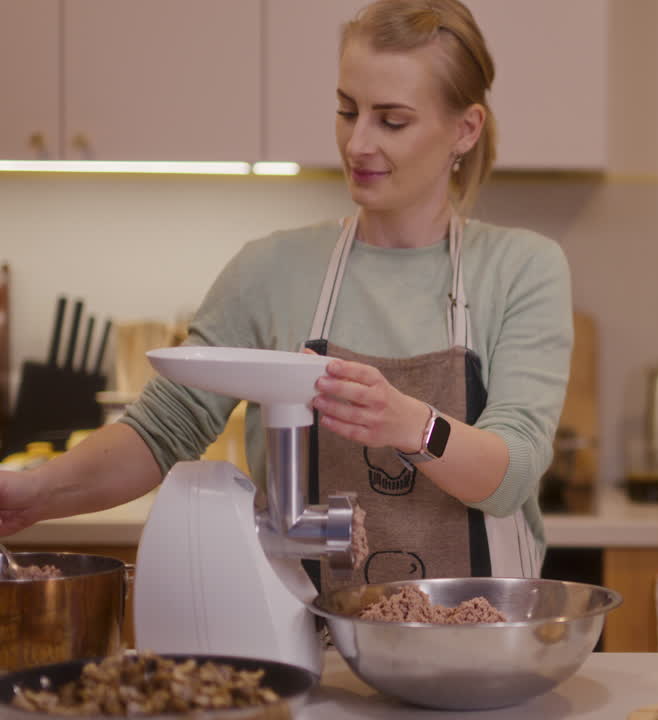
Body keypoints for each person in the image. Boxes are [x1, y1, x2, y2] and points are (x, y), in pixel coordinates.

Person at [0, 0, 572, 585]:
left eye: (391, 120)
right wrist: (35, 493)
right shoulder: (271, 270)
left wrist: (409, 424)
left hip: (474, 656)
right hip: (304, 647)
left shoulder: (521, 269)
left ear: (465, 129)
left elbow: (513, 473)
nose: (358, 144)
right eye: (348, 111)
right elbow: (163, 429)